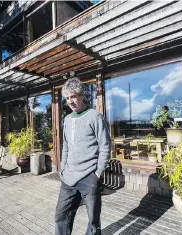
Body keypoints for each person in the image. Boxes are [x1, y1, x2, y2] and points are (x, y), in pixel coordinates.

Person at [55, 77, 111, 235]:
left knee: (93, 221)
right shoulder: (67, 119)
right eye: (67, 98)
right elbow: (65, 145)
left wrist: (98, 173)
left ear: (81, 96)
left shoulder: (94, 116)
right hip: (69, 177)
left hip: (89, 177)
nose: (70, 101)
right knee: (61, 217)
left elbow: (105, 145)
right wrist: (63, 168)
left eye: (73, 96)